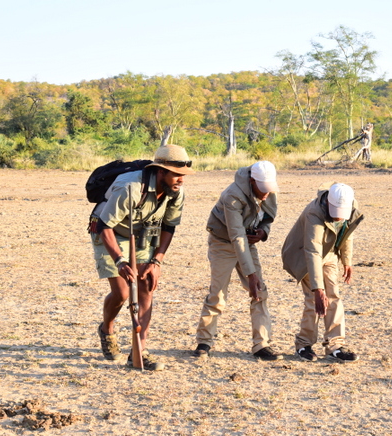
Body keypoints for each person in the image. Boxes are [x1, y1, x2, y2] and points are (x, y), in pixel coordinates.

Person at [90, 144, 194, 371]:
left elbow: (169, 226)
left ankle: (139, 350)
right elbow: (104, 226)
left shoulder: (177, 192)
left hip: (141, 235)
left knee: (146, 284)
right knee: (123, 292)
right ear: (160, 171)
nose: (181, 180)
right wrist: (119, 261)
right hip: (109, 233)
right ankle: (107, 329)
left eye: (183, 175)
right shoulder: (129, 187)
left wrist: (157, 261)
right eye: (176, 174)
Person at [193, 161, 282, 361]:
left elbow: (268, 218)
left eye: (270, 189)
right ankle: (204, 341)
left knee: (260, 292)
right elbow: (236, 236)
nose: (267, 194)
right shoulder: (232, 195)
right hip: (223, 243)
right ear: (252, 181)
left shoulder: (268, 189)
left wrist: (263, 233)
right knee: (218, 293)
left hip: (247, 241)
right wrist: (250, 274)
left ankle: (261, 344)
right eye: (263, 189)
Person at [281, 182, 364, 362]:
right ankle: (303, 345)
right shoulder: (314, 212)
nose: (338, 218)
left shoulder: (351, 205)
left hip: (330, 254)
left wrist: (346, 261)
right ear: (328, 204)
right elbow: (313, 250)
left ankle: (335, 346)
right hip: (304, 255)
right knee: (314, 300)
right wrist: (318, 289)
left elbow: (347, 233)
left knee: (333, 296)